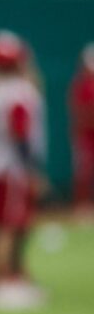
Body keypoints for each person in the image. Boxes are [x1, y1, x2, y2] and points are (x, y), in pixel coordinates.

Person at [0, 30, 48, 310]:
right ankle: (3, 282)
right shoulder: (19, 91)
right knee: (11, 226)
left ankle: (7, 277)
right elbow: (20, 133)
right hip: (11, 167)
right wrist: (32, 170)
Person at [68, 43, 94, 223]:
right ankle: (83, 207)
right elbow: (80, 113)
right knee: (84, 172)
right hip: (85, 137)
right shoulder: (81, 85)